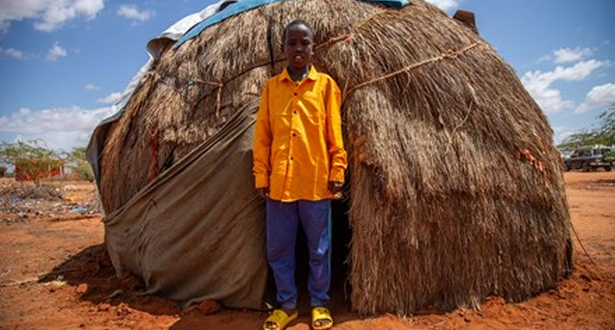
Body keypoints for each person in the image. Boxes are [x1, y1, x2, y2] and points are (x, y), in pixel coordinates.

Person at [253, 19, 347, 330]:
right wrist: (262, 177)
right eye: (292, 43)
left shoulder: (325, 87)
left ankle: (319, 303)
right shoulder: (271, 89)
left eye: (304, 43)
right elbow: (263, 138)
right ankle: (287, 306)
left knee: (319, 249)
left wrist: (337, 170)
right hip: (279, 184)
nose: (298, 48)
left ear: (313, 47)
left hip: (316, 181)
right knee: (279, 250)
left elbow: (334, 132)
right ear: (283, 49)